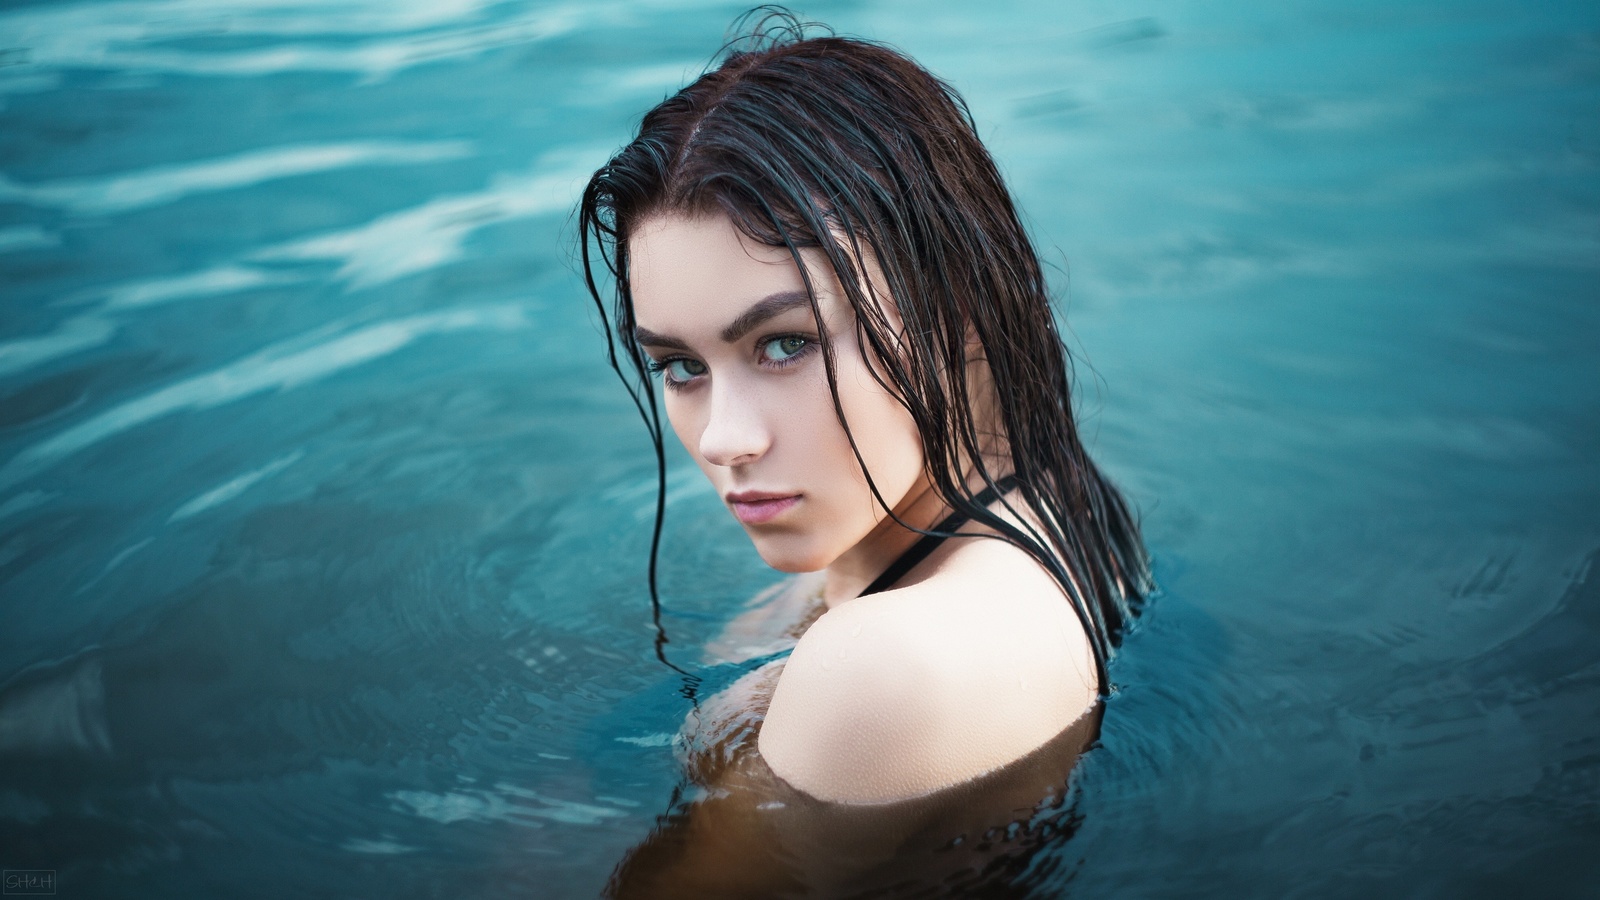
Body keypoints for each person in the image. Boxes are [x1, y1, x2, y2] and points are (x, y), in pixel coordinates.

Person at [578, 9, 1150, 893]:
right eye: (680, 365)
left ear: (954, 311)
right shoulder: (1052, 500)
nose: (726, 440)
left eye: (785, 344)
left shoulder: (882, 673)